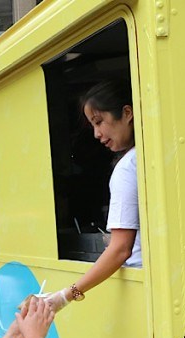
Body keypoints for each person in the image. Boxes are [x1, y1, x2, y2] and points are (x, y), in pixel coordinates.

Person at [49, 80, 140, 311]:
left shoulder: (128, 167)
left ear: (127, 113)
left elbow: (120, 249)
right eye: (92, 126)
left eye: (99, 122)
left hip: (139, 289)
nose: (97, 134)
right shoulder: (146, 157)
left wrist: (66, 296)